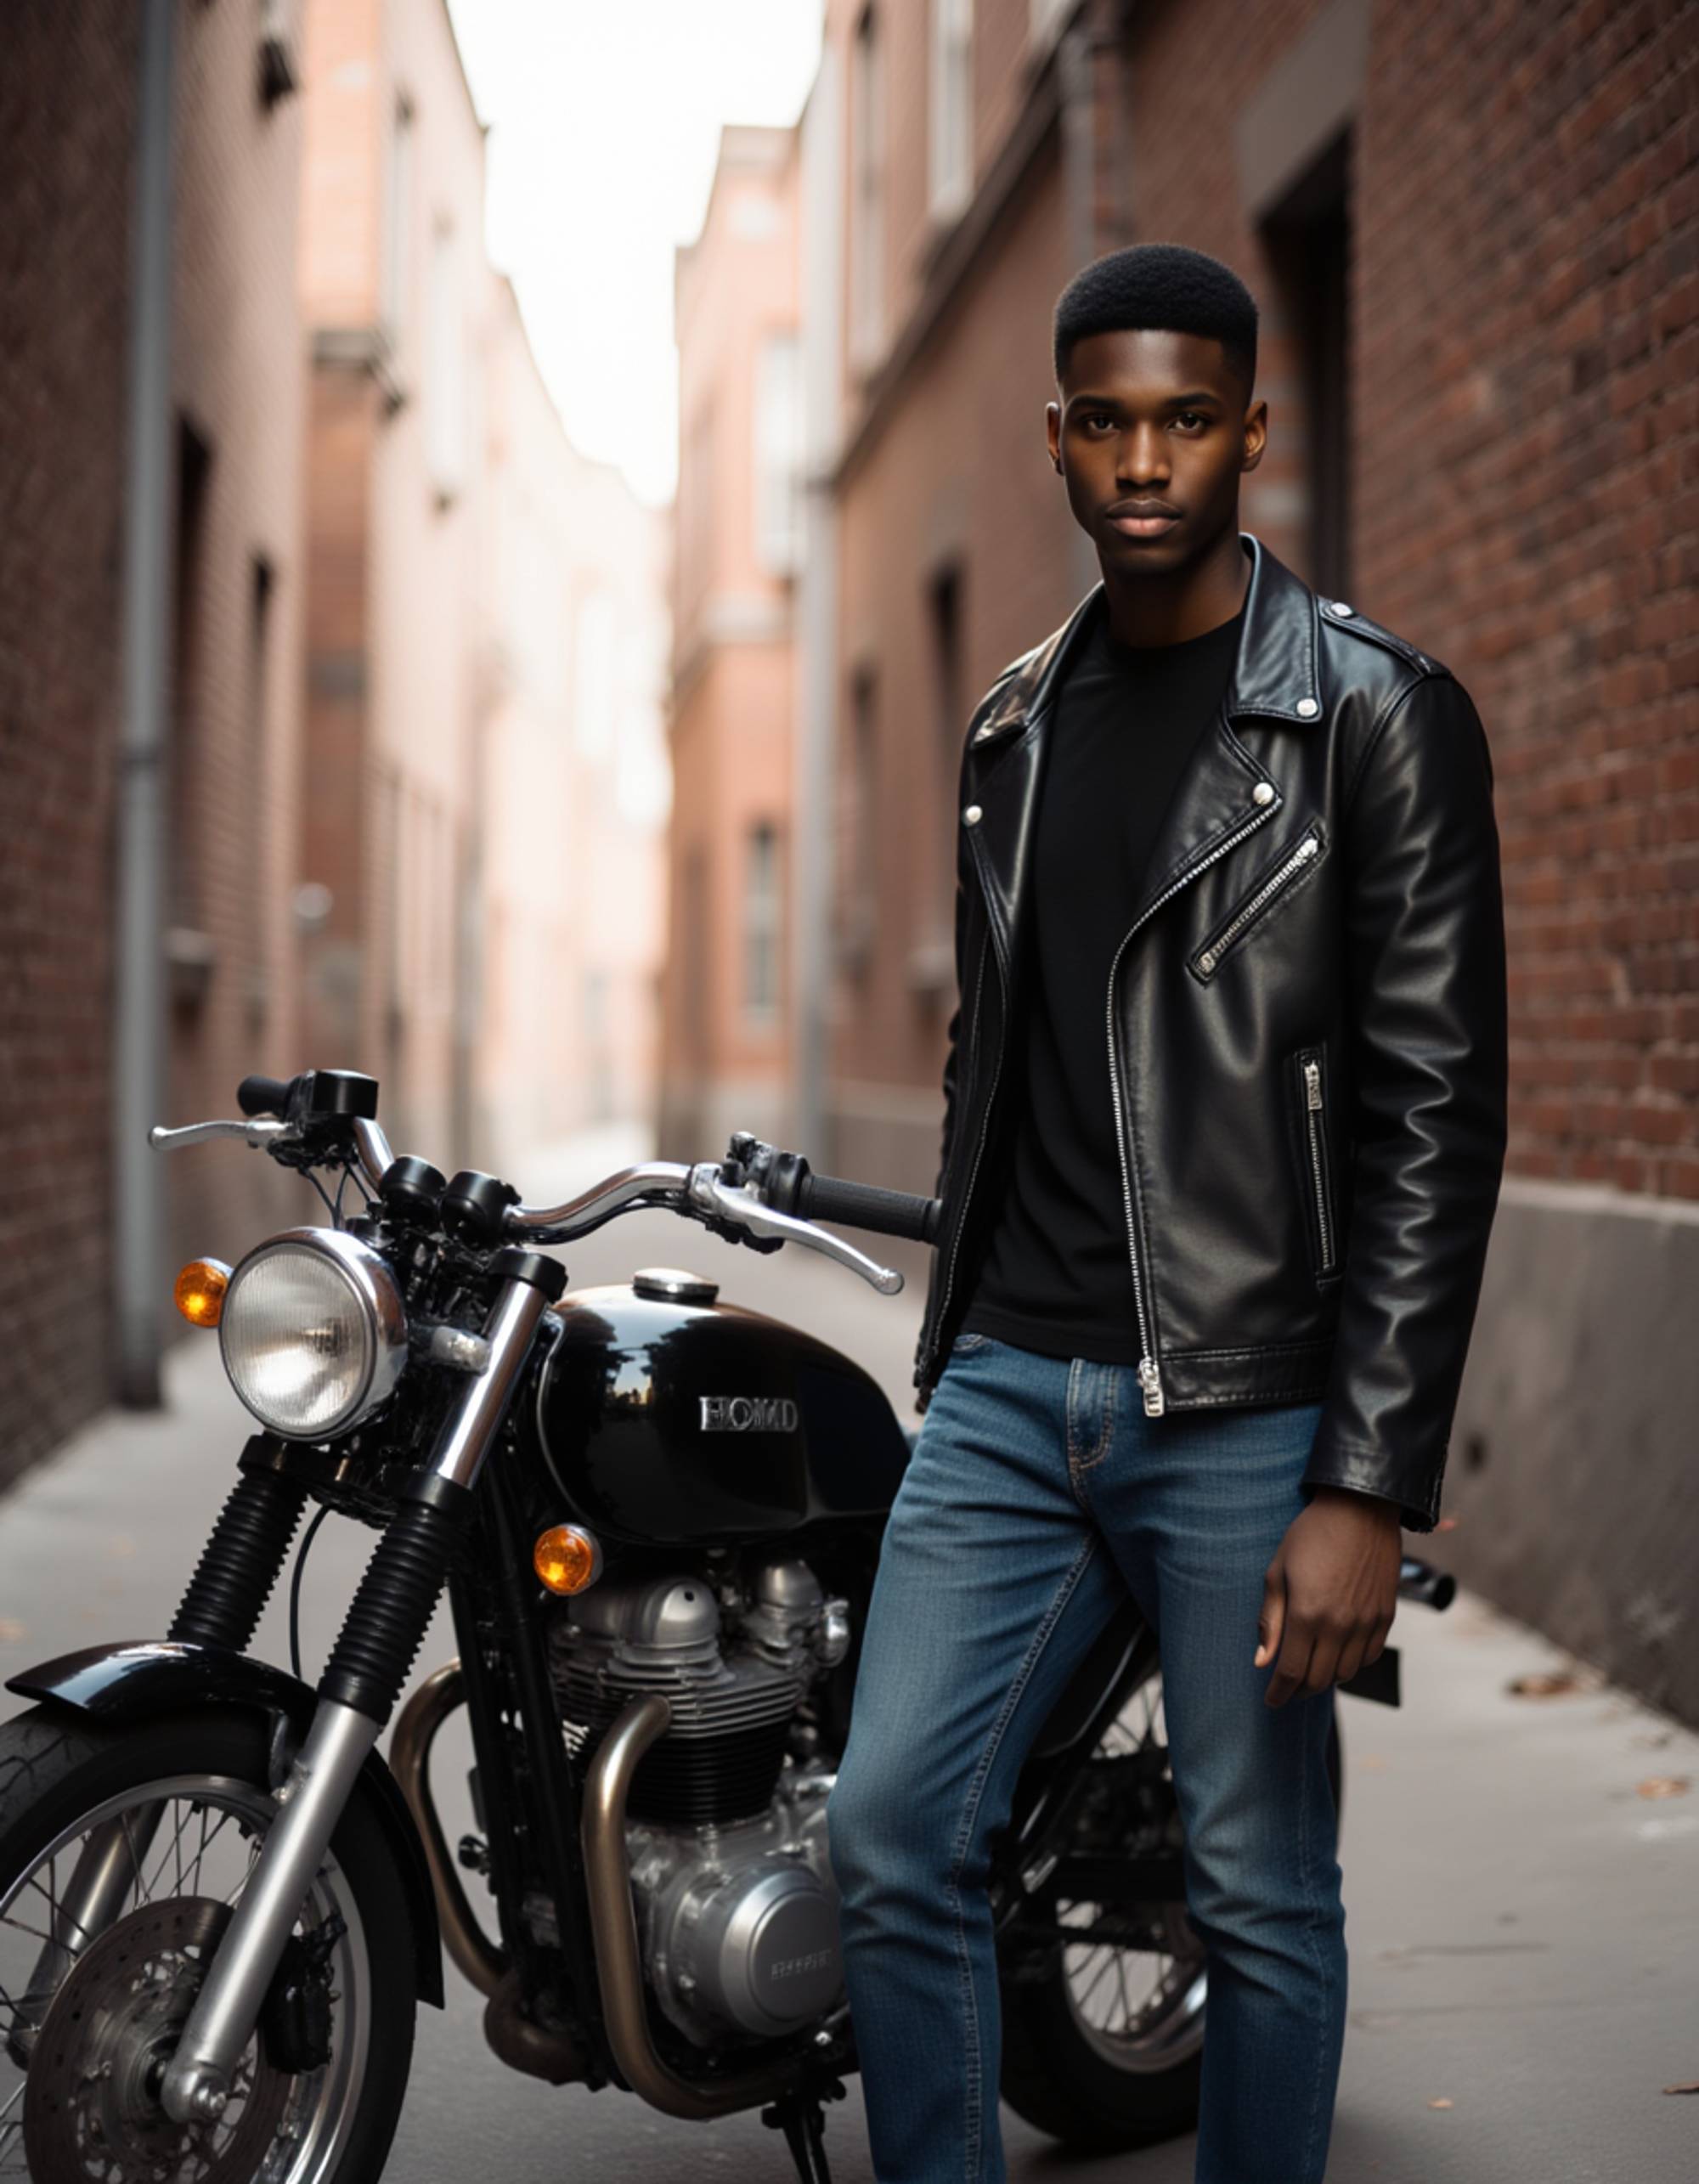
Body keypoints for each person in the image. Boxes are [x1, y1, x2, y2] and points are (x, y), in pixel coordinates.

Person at [826, 241, 1509, 2184]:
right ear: (1056, 438)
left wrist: (1367, 1477)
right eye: (1109, 421)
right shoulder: (1009, 732)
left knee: (1257, 1884)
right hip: (1006, 1393)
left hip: (1246, 1405)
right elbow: (997, 1057)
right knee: (892, 1832)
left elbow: (1434, 1117)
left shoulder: (1370, 717)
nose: (1147, 460)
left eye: (1187, 419)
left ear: (1251, 434)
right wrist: (952, 1350)